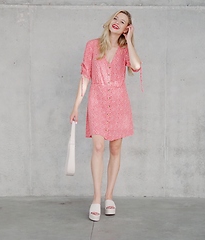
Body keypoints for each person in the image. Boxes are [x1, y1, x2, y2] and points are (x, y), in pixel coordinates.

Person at [69, 10, 141, 222]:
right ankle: (96, 198)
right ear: (110, 21)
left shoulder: (125, 49)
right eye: (116, 19)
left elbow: (136, 67)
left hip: (119, 101)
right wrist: (76, 107)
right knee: (98, 146)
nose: (117, 23)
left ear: (127, 28)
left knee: (116, 148)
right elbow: (85, 77)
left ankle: (109, 196)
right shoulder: (92, 45)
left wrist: (129, 41)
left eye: (123, 22)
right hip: (97, 100)